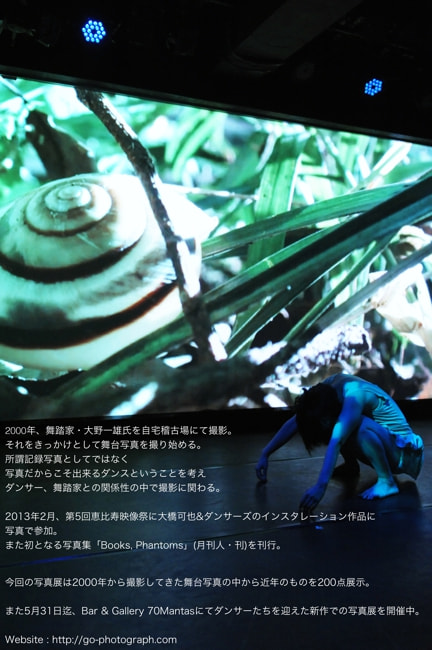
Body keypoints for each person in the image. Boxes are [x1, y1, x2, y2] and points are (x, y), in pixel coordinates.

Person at [255, 373, 424, 513]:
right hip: (388, 446)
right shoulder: (329, 386)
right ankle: (351, 466)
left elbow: (337, 441)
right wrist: (265, 453)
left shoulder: (354, 396)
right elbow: (297, 420)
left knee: (355, 425)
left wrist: (320, 487)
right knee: (337, 423)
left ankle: (387, 481)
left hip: (405, 455)